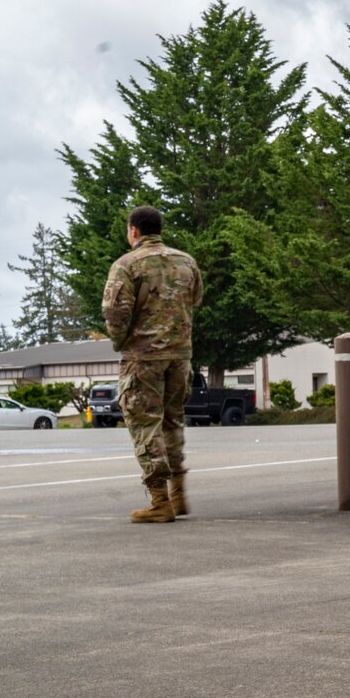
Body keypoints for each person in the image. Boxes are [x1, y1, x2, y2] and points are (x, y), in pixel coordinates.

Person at [102, 205, 203, 524]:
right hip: (180, 356)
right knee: (173, 421)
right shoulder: (186, 261)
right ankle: (178, 495)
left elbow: (116, 314)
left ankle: (160, 501)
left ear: (134, 230)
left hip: (143, 358)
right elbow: (195, 299)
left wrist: (122, 343)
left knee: (146, 424)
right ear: (158, 229)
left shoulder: (126, 265)